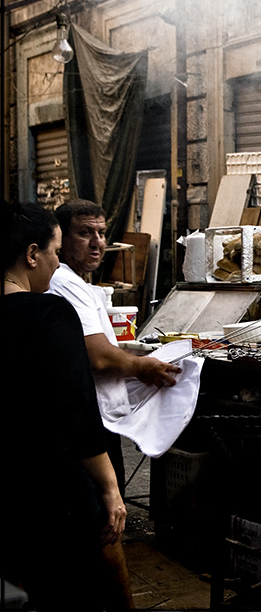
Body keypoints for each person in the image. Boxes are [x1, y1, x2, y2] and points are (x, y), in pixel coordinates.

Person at [48, 199, 180, 608]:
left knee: (100, 523)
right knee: (107, 521)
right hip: (88, 427)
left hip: (97, 420)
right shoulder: (63, 284)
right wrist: (142, 366)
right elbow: (100, 357)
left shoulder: (81, 284)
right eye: (85, 233)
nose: (97, 242)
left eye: (102, 233)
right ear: (60, 238)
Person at [1, 200, 127, 609]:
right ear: (32, 254)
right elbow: (77, 411)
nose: (57, 267)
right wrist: (109, 487)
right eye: (54, 253)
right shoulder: (49, 312)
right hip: (47, 480)